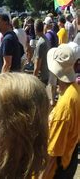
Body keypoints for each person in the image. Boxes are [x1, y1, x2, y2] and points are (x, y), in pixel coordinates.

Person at [43, 44, 80, 178]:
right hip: (70, 156)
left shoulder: (63, 108)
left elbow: (53, 154)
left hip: (57, 169)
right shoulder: (75, 89)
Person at [33, 19, 51, 85]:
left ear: (35, 29)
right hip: (47, 73)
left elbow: (37, 65)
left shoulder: (40, 43)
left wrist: (33, 79)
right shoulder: (46, 39)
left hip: (42, 77)